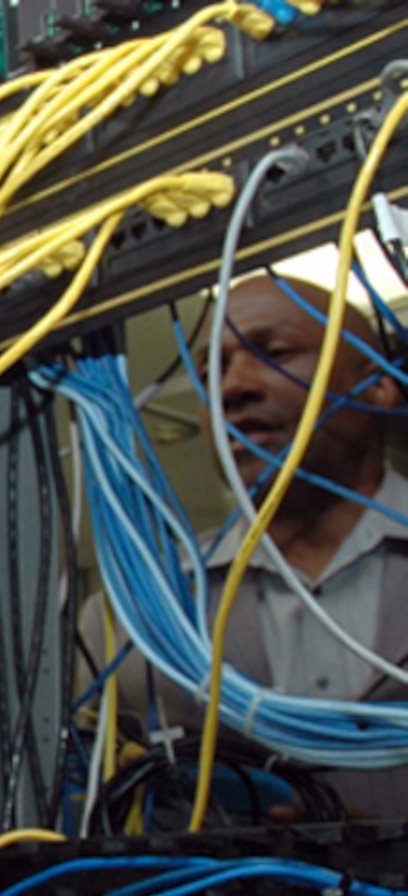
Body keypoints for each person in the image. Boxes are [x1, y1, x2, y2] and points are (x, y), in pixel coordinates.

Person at [82, 274, 408, 820]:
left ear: (375, 384)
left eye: (273, 352)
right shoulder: (133, 615)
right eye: (212, 370)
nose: (233, 387)